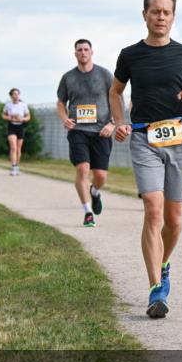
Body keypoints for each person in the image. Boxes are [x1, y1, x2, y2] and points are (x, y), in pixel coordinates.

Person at [111, 0, 182, 319]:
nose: (161, 17)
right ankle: (156, 291)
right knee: (153, 210)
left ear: (173, 16)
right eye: (156, 11)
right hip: (144, 140)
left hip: (180, 139)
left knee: (174, 220)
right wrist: (119, 121)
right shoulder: (129, 55)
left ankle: (163, 264)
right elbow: (116, 91)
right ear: (145, 15)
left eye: (167, 12)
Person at [56, 39, 116, 227]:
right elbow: (60, 102)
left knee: (100, 176)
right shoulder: (68, 78)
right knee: (82, 169)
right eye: (79, 50)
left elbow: (116, 99)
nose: (83, 52)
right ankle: (88, 212)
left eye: (86, 49)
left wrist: (113, 123)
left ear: (92, 52)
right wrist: (65, 118)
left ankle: (95, 192)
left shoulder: (105, 74)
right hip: (78, 130)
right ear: (75, 54)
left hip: (101, 131)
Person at [2, 88, 30, 175]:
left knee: (18, 149)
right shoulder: (8, 105)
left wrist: (22, 119)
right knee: (13, 147)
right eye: (14, 94)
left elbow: (28, 117)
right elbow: (3, 115)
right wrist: (9, 118)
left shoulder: (23, 105)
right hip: (11, 127)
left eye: (17, 94)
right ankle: (13, 167)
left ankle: (17, 166)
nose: (16, 95)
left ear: (19, 95)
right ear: (11, 96)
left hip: (20, 127)